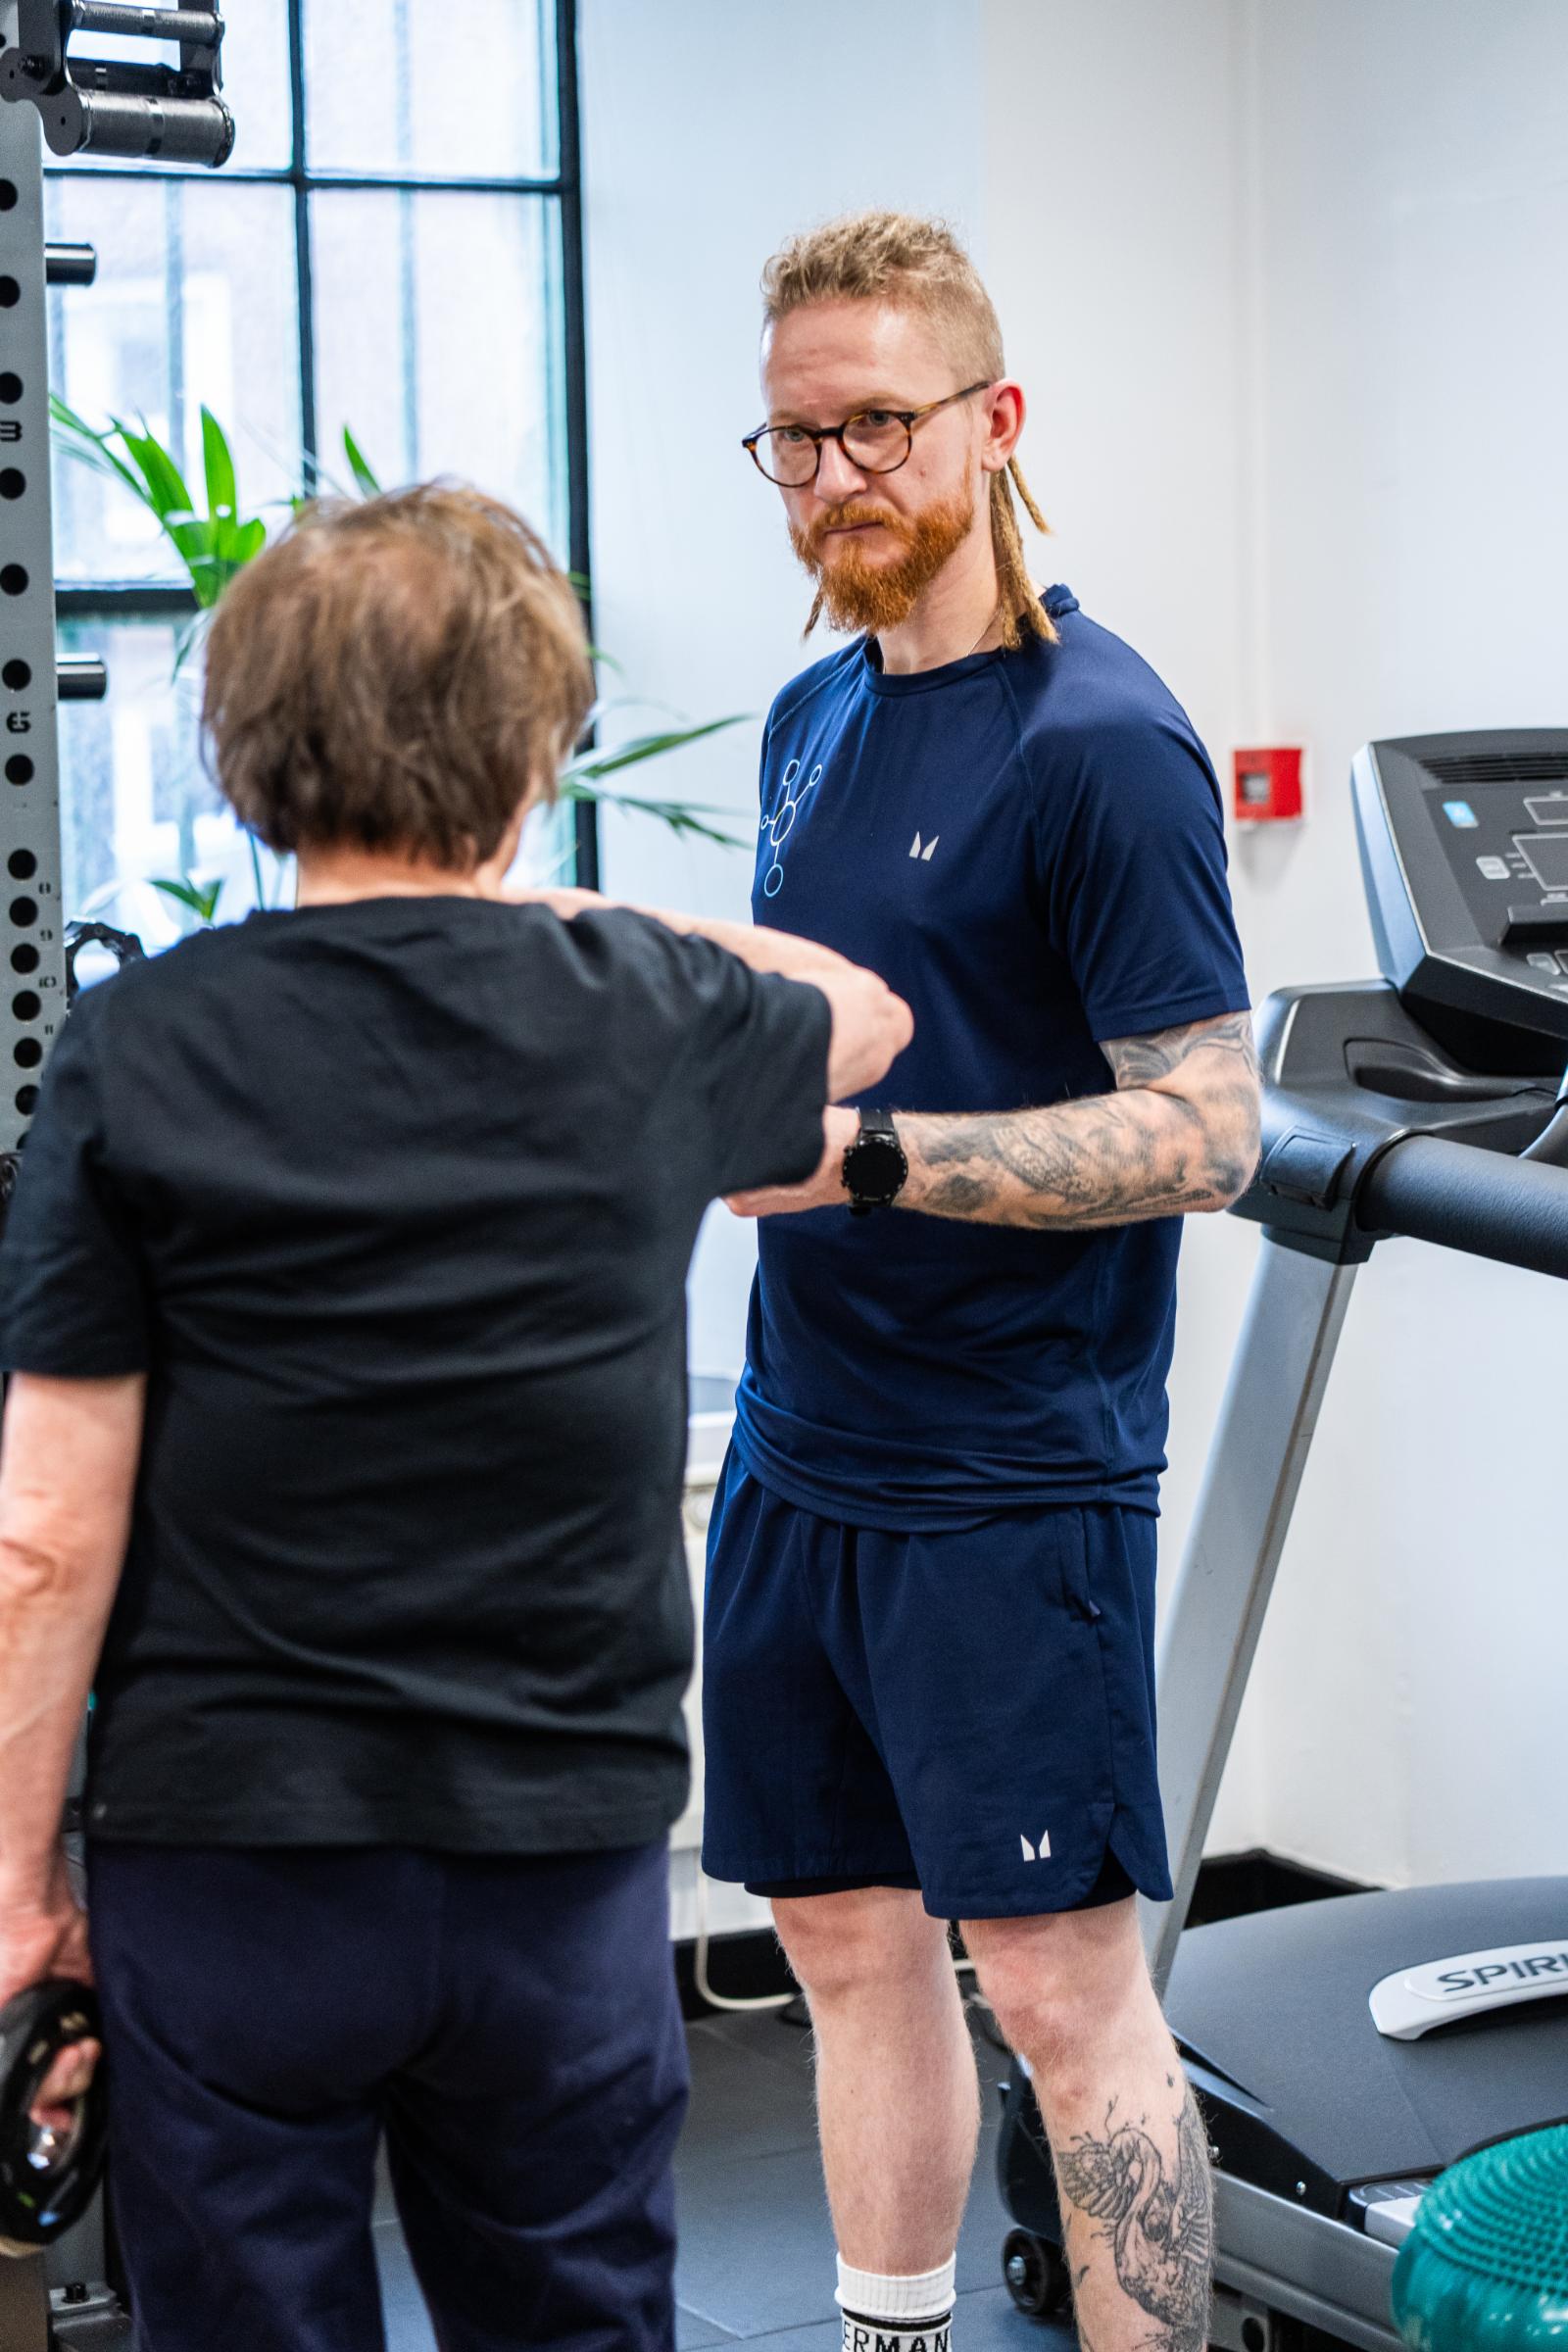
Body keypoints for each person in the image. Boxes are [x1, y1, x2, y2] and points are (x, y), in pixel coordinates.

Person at [0, 484, 911, 2352]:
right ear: (530, 748)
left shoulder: (141, 1045)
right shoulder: (642, 1010)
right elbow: (865, 1012)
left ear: (249, 751)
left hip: (232, 1864)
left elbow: (46, 1537)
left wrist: (16, 1886)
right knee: (572, 2317)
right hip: (552, 1872)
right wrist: (563, 901)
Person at [701, 213, 1260, 2352]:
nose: (832, 474)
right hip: (800, 1450)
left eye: (873, 425)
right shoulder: (806, 722)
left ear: (991, 420)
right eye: (789, 440)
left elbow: (1201, 1129)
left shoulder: (1099, 741)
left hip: (1011, 1477)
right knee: (841, 1941)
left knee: (1052, 1983)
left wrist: (866, 1162)